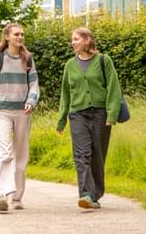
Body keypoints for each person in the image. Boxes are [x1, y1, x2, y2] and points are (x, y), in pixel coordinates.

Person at [56, 27, 122, 210]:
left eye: (76, 39)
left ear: (87, 40)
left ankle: (96, 194)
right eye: (72, 39)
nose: (73, 42)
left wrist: (111, 115)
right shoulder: (70, 65)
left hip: (100, 114)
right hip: (78, 115)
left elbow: (113, 88)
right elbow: (65, 94)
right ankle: (85, 194)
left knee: (97, 156)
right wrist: (62, 120)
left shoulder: (104, 60)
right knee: (81, 155)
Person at [0, 23, 40, 212]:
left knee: (21, 155)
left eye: (22, 34)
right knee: (5, 152)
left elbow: (34, 84)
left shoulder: (27, 58)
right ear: (7, 36)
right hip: (2, 112)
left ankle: (16, 198)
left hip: (23, 112)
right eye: (16, 34)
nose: (20, 37)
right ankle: (3, 196)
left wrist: (31, 101)